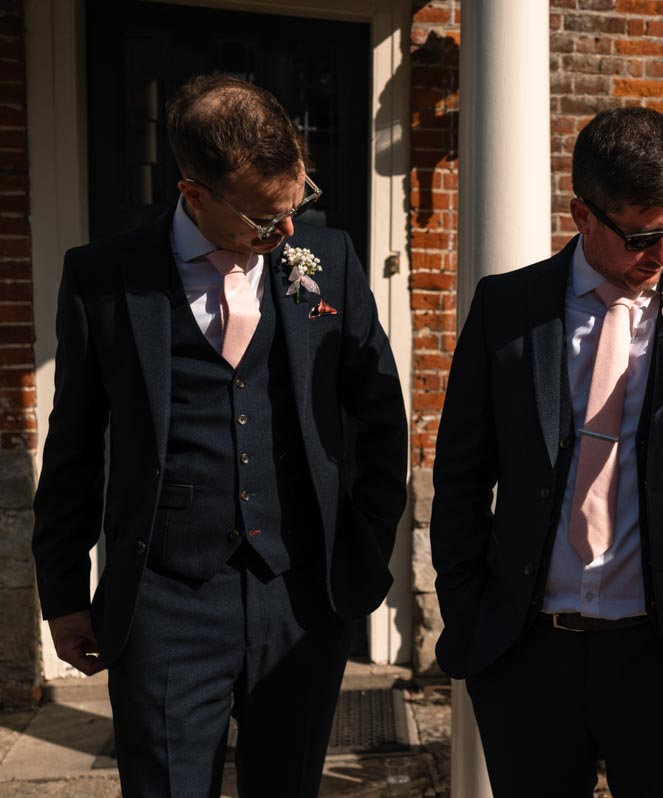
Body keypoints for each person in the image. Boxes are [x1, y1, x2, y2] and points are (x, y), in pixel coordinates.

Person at [30, 75, 408, 797]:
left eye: (298, 201)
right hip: (166, 597)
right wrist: (64, 591)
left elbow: (381, 415)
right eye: (266, 220)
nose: (287, 231)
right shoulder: (101, 279)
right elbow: (73, 445)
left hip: (301, 594)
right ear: (195, 195)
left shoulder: (329, 260)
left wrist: (361, 544)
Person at [430, 106, 663, 797]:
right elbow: (461, 475)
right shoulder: (508, 307)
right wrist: (470, 610)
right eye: (641, 236)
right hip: (527, 656)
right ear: (582, 215)